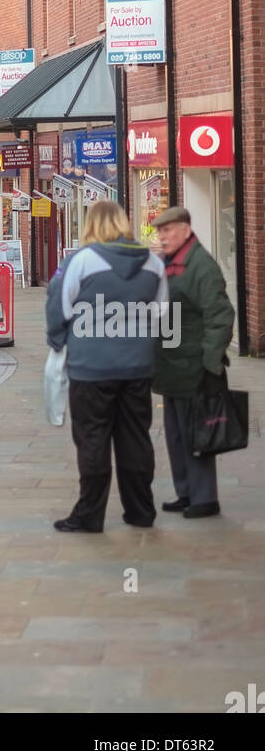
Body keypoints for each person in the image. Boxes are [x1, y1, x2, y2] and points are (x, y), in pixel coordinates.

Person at [46, 199, 168, 533]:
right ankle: (141, 510)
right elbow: (162, 315)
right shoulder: (153, 264)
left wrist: (58, 342)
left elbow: (59, 305)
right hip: (137, 367)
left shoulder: (81, 261)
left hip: (91, 367)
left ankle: (89, 515)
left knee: (92, 439)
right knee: (135, 439)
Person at [151, 205, 235, 520]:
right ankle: (185, 491)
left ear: (186, 229)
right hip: (172, 366)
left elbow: (221, 315)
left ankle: (204, 498)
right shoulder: (167, 263)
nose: (163, 236)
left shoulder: (201, 265)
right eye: (160, 232)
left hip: (195, 367)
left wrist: (209, 362)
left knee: (198, 433)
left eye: (168, 230)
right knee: (175, 434)